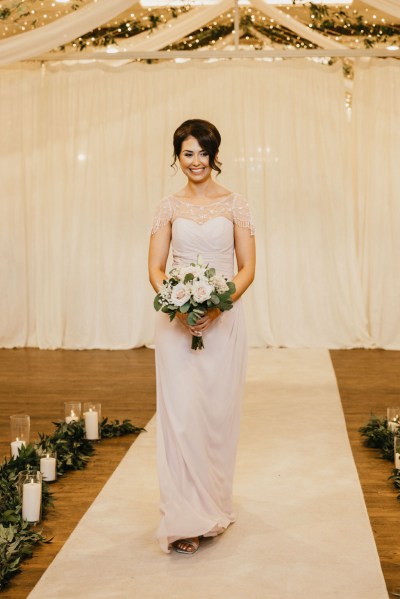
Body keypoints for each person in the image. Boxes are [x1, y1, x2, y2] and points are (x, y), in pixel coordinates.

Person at [148, 119, 256, 555]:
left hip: (223, 320)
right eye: (187, 153)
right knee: (179, 415)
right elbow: (156, 268)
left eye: (203, 153)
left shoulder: (237, 205)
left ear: (215, 155)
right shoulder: (167, 207)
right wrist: (176, 301)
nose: (195, 162)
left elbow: (247, 267)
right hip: (175, 325)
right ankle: (183, 518)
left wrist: (213, 306)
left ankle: (213, 504)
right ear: (177, 157)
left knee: (215, 412)